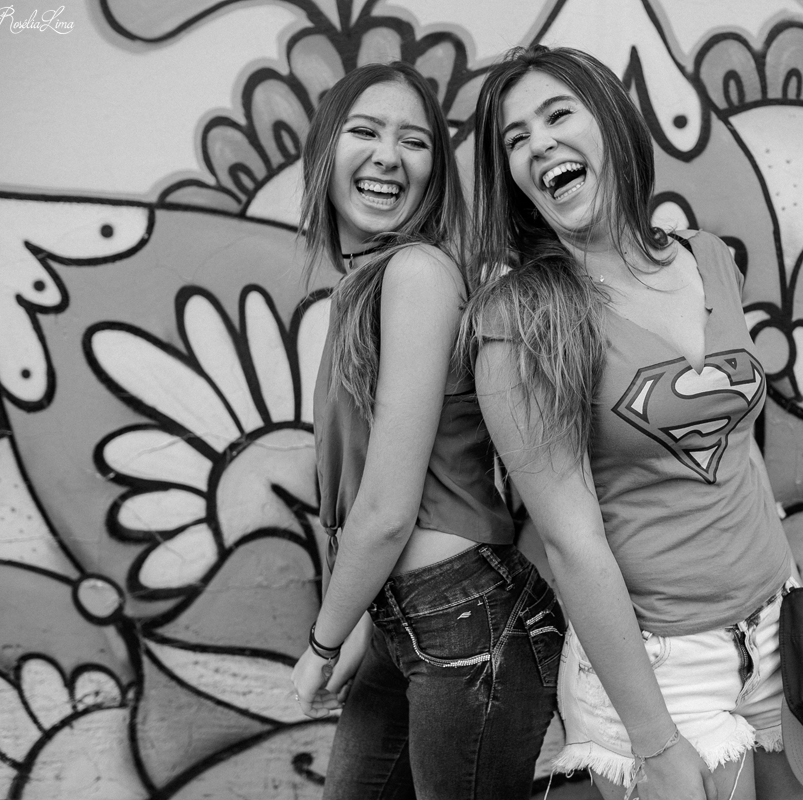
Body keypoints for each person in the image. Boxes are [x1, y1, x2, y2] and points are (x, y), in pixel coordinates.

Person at [460, 45, 803, 800]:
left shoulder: (709, 259)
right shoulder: (523, 320)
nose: (539, 143)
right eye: (515, 139)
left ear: (613, 125)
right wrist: (655, 739)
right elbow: (571, 544)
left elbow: (737, 443)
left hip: (780, 627)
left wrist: (793, 596)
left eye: (558, 114)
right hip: (664, 665)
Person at [289, 61, 563, 800]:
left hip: (466, 619)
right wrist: (360, 625)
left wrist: (322, 641)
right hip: (405, 617)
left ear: (434, 175)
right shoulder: (365, 285)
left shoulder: (416, 273)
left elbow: (387, 509)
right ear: (325, 151)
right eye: (366, 131)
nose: (388, 156)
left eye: (414, 142)